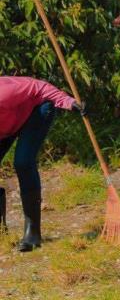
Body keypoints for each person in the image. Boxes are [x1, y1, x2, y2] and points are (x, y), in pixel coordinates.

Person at [0, 76, 85, 251]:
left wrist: (69, 102)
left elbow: (39, 87)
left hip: (37, 111)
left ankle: (33, 233)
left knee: (23, 162)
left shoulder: (5, 93)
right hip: (7, 124)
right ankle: (1, 231)